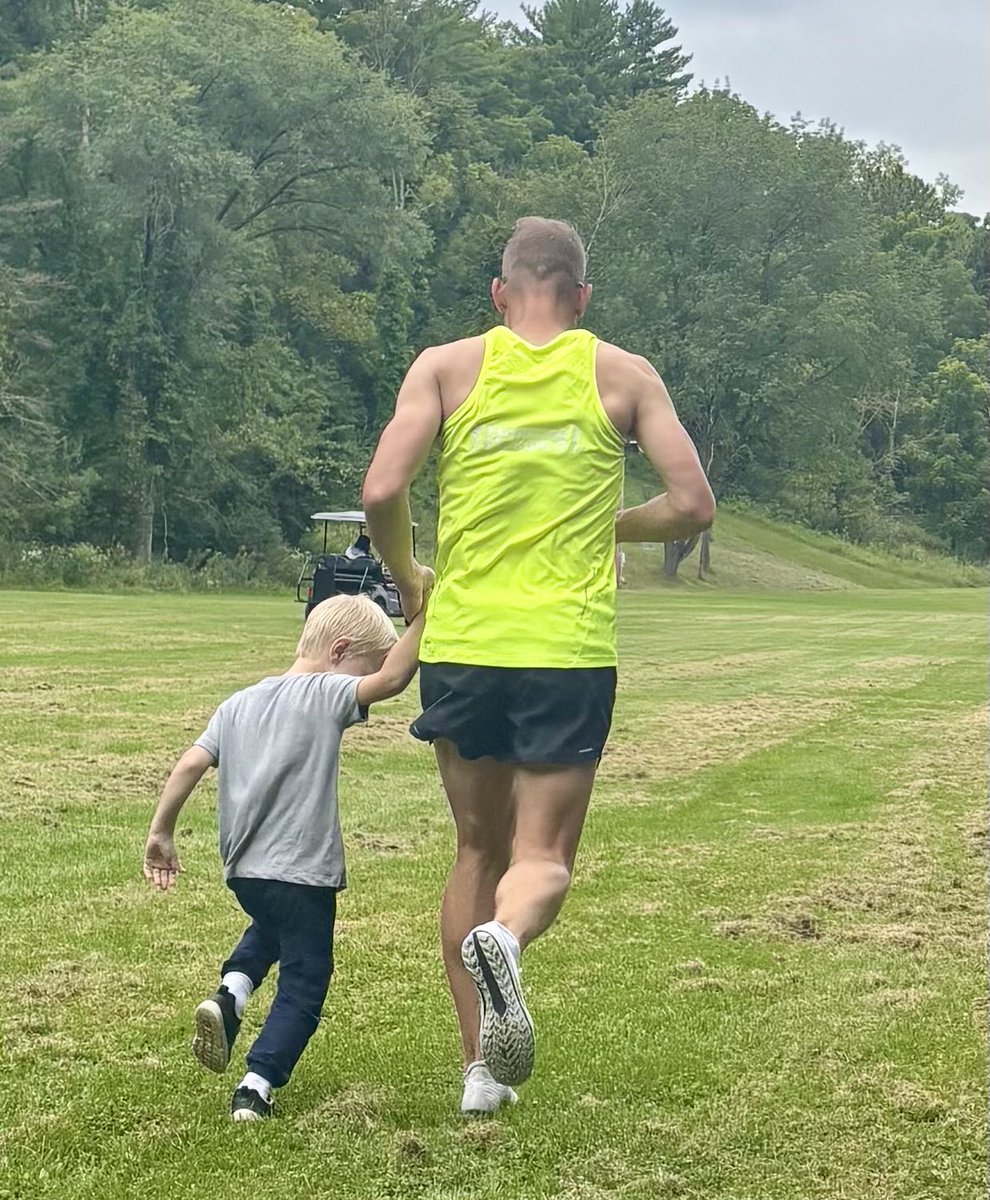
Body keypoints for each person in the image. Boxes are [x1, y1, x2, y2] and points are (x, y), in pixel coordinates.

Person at [362, 216, 715, 1113]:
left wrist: (408, 578)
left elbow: (381, 489)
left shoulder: (445, 367)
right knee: (543, 855)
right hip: (565, 651)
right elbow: (691, 503)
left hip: (464, 645)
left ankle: (481, 1073)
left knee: (476, 847)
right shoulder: (623, 375)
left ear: (499, 294)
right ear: (583, 297)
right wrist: (610, 521)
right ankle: (509, 944)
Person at [141, 591, 430, 1122]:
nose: (361, 683)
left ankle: (231, 993)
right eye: (361, 667)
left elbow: (189, 764)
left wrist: (162, 832)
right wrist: (426, 609)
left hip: (246, 871)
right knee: (306, 978)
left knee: (272, 925)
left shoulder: (238, 702)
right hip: (302, 872)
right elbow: (393, 680)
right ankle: (258, 1085)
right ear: (340, 652)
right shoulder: (324, 694)